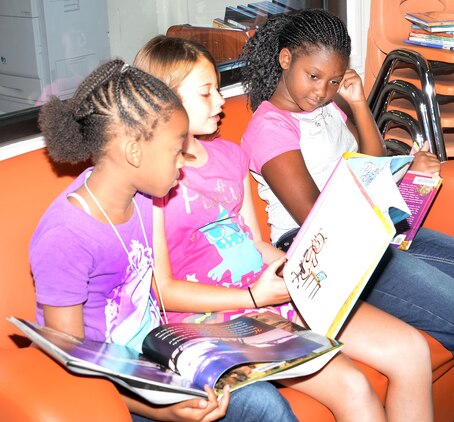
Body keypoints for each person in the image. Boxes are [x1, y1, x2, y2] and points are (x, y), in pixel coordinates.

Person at [134, 35, 434, 421]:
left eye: (218, 90)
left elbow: (256, 243)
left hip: (269, 292)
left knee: (410, 350)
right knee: (353, 386)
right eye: (206, 93)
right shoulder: (151, 180)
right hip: (212, 315)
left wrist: (305, 268)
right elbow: (164, 291)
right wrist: (254, 297)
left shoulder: (230, 156)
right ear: (164, 100)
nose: (222, 102)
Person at [30, 59, 298, 422]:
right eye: (176, 151)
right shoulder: (67, 235)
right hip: (119, 388)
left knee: (266, 387)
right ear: (134, 153)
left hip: (164, 353)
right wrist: (163, 410)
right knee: (265, 406)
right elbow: (72, 364)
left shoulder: (143, 196)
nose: (183, 165)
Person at [239, 8, 454, 353]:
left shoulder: (326, 107)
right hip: (316, 248)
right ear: (285, 58)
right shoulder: (270, 128)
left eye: (334, 81)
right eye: (313, 76)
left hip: (363, 227)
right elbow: (312, 214)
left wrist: (357, 103)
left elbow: (370, 161)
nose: (322, 91)